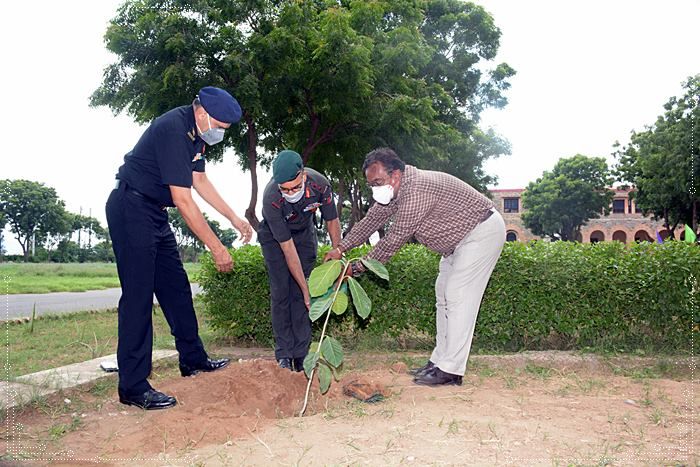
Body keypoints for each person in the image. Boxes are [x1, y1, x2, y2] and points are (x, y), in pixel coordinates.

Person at [106, 86, 254, 410]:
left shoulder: (197, 135)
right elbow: (183, 200)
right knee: (139, 297)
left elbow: (200, 181)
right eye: (219, 125)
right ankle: (132, 386)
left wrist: (234, 218)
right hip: (131, 208)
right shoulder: (174, 128)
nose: (220, 133)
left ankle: (193, 359)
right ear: (201, 112)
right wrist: (216, 247)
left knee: (176, 288)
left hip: (153, 214)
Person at [324, 147, 505, 386]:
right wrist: (340, 248)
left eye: (377, 182)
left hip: (481, 232)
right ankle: (439, 361)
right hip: (457, 243)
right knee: (443, 294)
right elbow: (370, 221)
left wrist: (355, 269)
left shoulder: (417, 190)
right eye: (371, 184)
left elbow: (392, 240)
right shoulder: (395, 191)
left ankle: (451, 370)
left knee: (458, 295)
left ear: (396, 175)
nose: (375, 188)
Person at [259, 150, 341, 371]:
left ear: (303, 175)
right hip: (275, 240)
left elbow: (332, 219)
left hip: (304, 234)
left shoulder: (320, 185)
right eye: (284, 189)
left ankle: (301, 355)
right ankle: (284, 354)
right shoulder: (271, 198)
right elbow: (287, 249)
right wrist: (306, 289)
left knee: (301, 297)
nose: (290, 193)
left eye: (295, 187)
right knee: (282, 292)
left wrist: (337, 251)